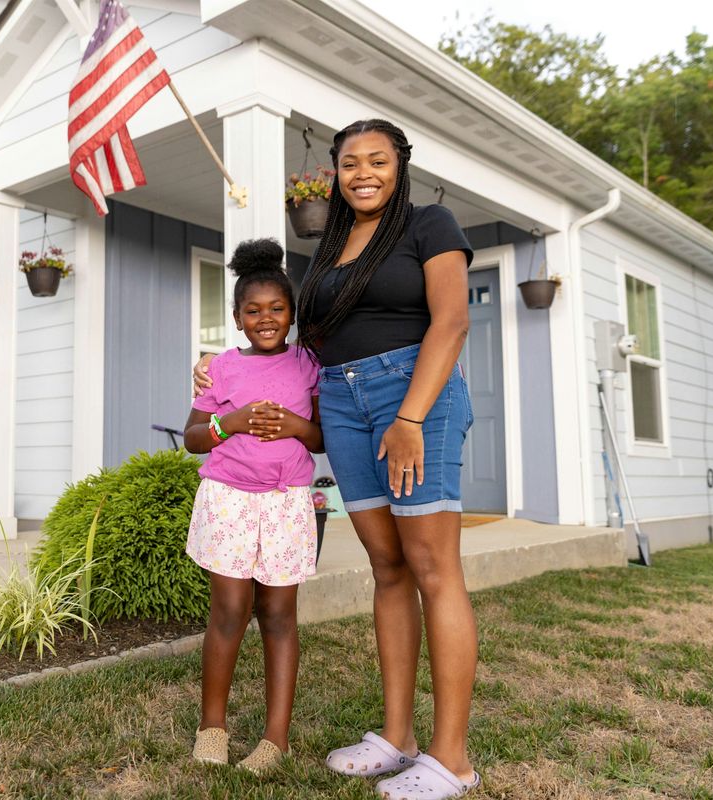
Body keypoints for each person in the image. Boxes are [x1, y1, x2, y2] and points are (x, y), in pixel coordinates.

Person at [194, 119, 480, 799]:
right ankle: (397, 736)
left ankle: (451, 758)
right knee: (387, 567)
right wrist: (218, 365)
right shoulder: (326, 249)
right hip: (343, 403)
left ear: (400, 165)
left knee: (433, 567)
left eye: (377, 160)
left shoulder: (429, 225)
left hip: (413, 394)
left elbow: (452, 320)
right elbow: (298, 341)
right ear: (334, 173)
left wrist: (409, 416)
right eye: (350, 162)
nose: (363, 173)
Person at [183, 238, 324, 776]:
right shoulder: (219, 368)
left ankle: (274, 740)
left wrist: (294, 426)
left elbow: (320, 438)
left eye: (277, 309)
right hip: (228, 500)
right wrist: (232, 421)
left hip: (287, 502)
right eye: (253, 311)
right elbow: (193, 437)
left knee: (280, 616)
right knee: (229, 611)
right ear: (238, 318)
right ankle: (212, 727)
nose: (266, 319)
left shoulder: (308, 364)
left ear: (291, 314)